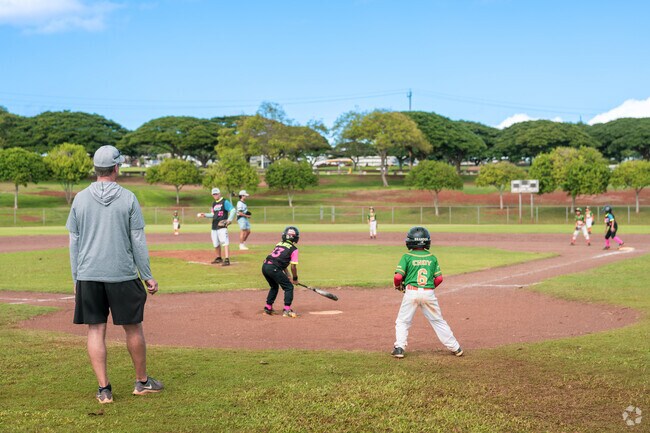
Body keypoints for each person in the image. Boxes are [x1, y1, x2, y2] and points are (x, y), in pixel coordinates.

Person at [66, 145, 163, 404]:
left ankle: (104, 390)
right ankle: (142, 382)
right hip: (122, 274)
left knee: (95, 330)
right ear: (116, 167)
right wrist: (147, 275)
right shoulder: (129, 197)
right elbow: (138, 241)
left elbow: (73, 241)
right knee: (133, 329)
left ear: (96, 169)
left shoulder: (79, 198)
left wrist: (77, 278)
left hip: (88, 276)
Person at [391, 226, 463, 359]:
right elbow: (439, 278)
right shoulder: (432, 257)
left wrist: (397, 286)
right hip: (428, 292)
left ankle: (399, 348)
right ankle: (455, 347)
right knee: (438, 321)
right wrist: (429, 288)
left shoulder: (407, 256)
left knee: (403, 321)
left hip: (411, 293)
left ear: (410, 241)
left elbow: (398, 277)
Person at [262, 226, 300, 318]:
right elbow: (293, 267)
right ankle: (287, 310)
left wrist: (288, 276)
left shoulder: (279, 244)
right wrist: (295, 279)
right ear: (295, 237)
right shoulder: (294, 249)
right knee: (289, 287)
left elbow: (281, 262)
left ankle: (268, 307)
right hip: (274, 268)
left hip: (265, 266)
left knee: (274, 286)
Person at [197, 188, 235, 266]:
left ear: (219, 193)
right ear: (212, 195)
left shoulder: (225, 202)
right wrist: (205, 215)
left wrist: (229, 220)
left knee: (225, 242)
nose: (215, 195)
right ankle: (219, 258)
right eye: (214, 194)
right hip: (214, 226)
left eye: (216, 193)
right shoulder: (214, 203)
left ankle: (227, 259)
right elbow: (213, 214)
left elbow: (233, 210)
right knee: (216, 243)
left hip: (222, 225)